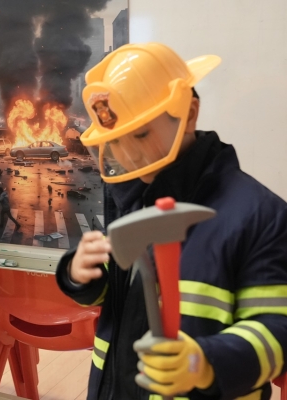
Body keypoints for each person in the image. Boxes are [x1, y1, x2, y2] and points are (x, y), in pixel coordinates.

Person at [56, 42, 287, 400]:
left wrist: (206, 363)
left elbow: (278, 330)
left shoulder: (259, 214)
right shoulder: (130, 199)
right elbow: (117, 297)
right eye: (115, 141)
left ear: (188, 113)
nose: (129, 155)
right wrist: (81, 273)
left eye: (141, 134)